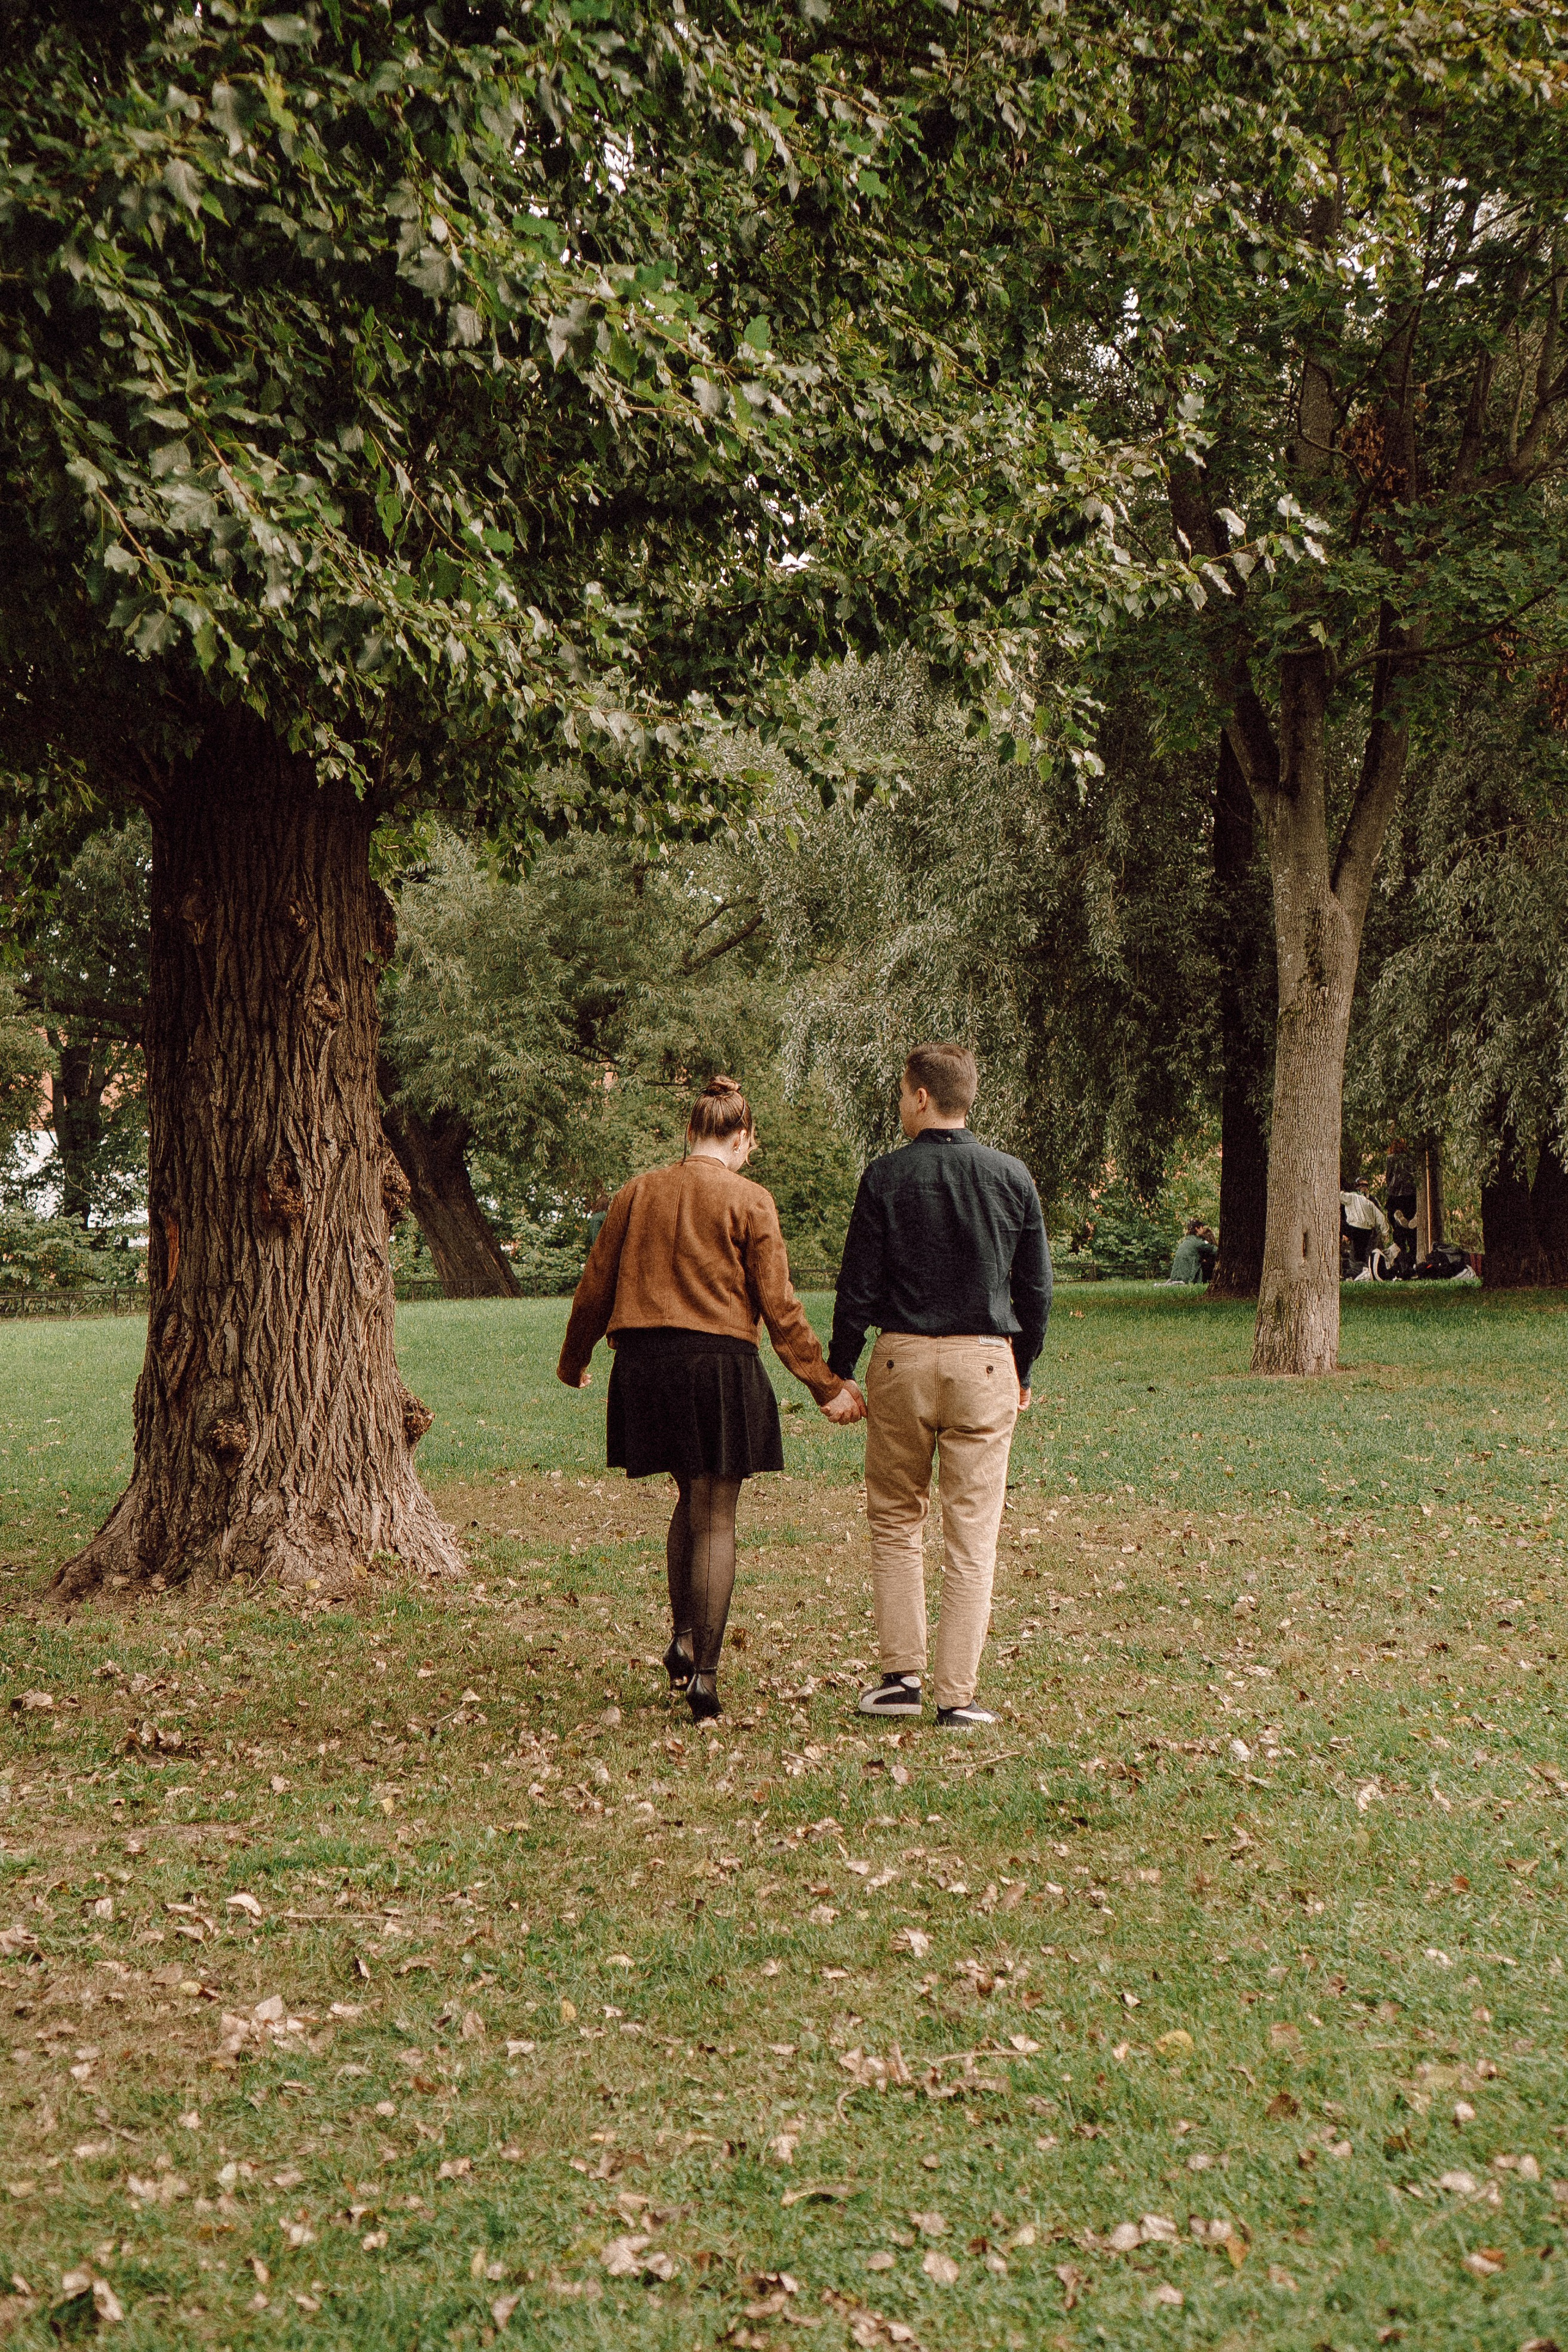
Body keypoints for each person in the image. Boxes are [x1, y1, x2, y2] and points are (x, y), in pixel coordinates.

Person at [557, 1076, 864, 1722]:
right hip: (716, 1365)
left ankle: (683, 1638)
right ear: (741, 1138)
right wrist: (826, 1385)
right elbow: (779, 1307)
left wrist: (574, 1359)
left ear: (690, 1132)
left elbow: (595, 1285)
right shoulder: (750, 1199)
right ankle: (706, 1675)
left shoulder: (636, 1192)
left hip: (643, 1367)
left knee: (687, 1496)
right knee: (716, 1515)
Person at [828, 1042, 1052, 1729]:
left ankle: (900, 1680)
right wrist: (1023, 1369)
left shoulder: (885, 1177)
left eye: (903, 1093)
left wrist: (840, 1367)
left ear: (922, 1096)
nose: (901, 1104)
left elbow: (857, 1285)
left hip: (900, 1361)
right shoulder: (1011, 1176)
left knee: (897, 1519)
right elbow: (1036, 1289)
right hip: (983, 1362)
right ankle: (957, 1696)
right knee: (972, 1533)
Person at [1167, 1219, 1216, 1284]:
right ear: (1197, 1229)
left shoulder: (1186, 1242)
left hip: (1175, 1277)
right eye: (1202, 1227)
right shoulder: (1198, 1243)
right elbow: (1216, 1251)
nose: (1203, 1230)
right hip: (1186, 1279)